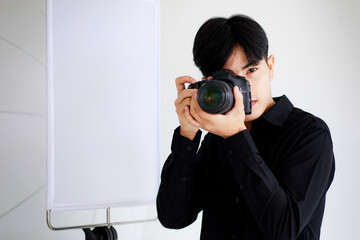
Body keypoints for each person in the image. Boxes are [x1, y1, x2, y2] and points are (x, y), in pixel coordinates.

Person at [156, 14, 335, 240]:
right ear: (210, 82)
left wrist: (236, 136)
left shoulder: (310, 134)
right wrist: (188, 134)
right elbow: (173, 217)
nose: (244, 88)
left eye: (251, 70)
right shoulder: (216, 138)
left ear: (270, 66)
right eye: (230, 79)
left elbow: (284, 229)